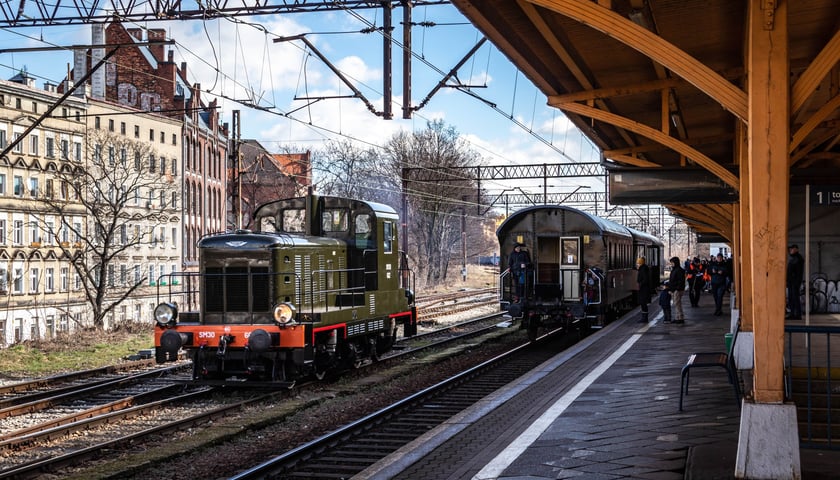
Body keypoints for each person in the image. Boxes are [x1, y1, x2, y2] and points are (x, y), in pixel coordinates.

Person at [787, 244, 805, 320]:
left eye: (792, 249)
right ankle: (793, 313)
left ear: (796, 249)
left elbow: (794, 271)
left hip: (794, 281)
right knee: (792, 298)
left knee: (794, 298)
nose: (791, 250)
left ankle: (796, 314)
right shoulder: (794, 258)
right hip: (792, 281)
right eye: (790, 249)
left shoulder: (797, 258)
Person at [667, 256, 686, 323]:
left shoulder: (678, 270)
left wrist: (677, 289)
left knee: (677, 304)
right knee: (676, 304)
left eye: (672, 263)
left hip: (677, 290)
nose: (671, 264)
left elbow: (680, 281)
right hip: (674, 289)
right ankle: (677, 317)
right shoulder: (675, 270)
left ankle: (680, 318)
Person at [636, 257, 651, 323]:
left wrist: (640, 284)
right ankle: (644, 318)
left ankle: (644, 318)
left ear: (641, 263)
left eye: (638, 263)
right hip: (644, 288)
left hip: (644, 289)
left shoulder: (643, 269)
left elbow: (645, 279)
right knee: (643, 303)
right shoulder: (643, 269)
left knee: (643, 303)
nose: (637, 264)